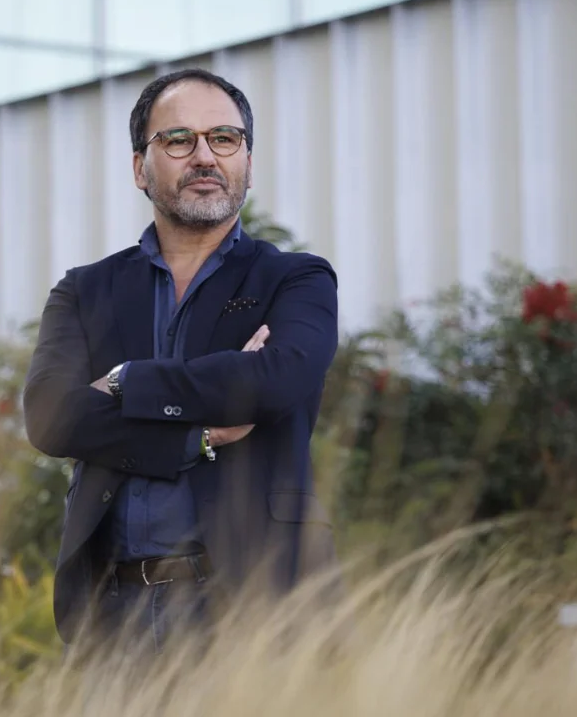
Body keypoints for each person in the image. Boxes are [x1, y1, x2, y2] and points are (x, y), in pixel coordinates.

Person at [22, 68, 341, 661]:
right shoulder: (84, 291)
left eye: (224, 138)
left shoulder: (295, 279)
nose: (204, 156)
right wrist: (199, 436)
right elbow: (50, 418)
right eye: (178, 140)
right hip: (110, 616)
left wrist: (126, 380)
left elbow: (275, 381)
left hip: (255, 604)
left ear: (248, 159)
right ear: (140, 167)